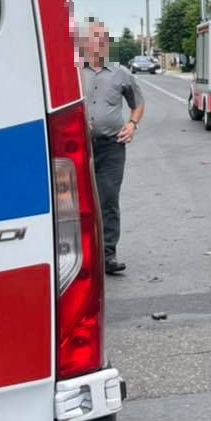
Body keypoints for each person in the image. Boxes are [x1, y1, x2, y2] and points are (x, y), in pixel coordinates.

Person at [80, 20, 144, 275]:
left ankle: (107, 256)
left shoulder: (121, 73)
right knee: (76, 202)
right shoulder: (72, 71)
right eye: (96, 38)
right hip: (78, 147)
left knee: (108, 200)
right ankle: (81, 257)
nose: (101, 42)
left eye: (105, 38)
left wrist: (132, 124)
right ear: (84, 43)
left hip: (111, 148)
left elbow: (137, 104)